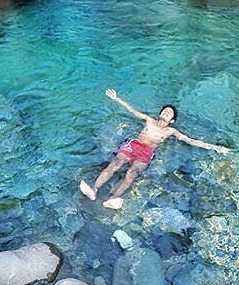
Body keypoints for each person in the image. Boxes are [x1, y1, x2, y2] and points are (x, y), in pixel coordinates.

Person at [80, 88, 231, 210]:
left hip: (146, 153)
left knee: (132, 173)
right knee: (115, 163)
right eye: (164, 111)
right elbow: (132, 111)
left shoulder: (171, 132)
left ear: (171, 121)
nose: (165, 112)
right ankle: (94, 189)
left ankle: (112, 200)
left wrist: (216, 148)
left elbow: (191, 141)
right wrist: (117, 98)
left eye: (169, 113)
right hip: (134, 145)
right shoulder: (149, 120)